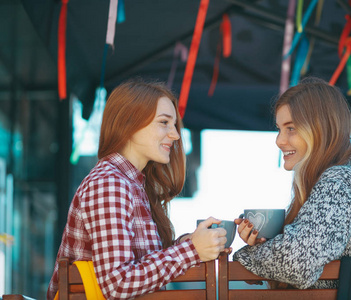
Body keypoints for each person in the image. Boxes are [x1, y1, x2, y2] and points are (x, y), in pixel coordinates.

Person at [47, 78, 228, 300]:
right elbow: (117, 283)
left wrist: (191, 243)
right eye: (164, 122)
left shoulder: (132, 185)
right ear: (130, 123)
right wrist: (191, 251)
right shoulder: (109, 184)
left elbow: (140, 267)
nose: (175, 134)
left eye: (174, 125)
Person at [233, 77, 351, 299]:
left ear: (320, 129)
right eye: (279, 129)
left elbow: (297, 263)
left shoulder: (339, 183)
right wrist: (273, 243)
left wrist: (249, 254)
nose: (279, 140)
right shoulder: (346, 178)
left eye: (291, 128)